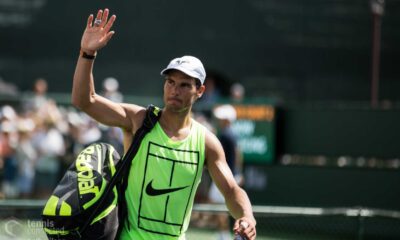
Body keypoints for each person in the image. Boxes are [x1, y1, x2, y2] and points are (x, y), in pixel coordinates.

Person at [72, 8, 256, 240]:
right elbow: (84, 100)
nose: (174, 90)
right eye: (170, 82)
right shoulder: (139, 120)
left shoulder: (207, 141)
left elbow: (231, 190)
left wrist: (247, 216)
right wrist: (87, 53)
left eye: (184, 85)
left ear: (199, 91)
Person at [209, 104, 244, 240]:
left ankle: (224, 235)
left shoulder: (224, 135)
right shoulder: (233, 134)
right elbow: (239, 154)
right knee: (226, 206)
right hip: (232, 175)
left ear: (228, 120)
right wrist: (238, 173)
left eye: (222, 118)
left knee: (218, 205)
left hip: (225, 176)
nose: (219, 120)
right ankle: (227, 234)